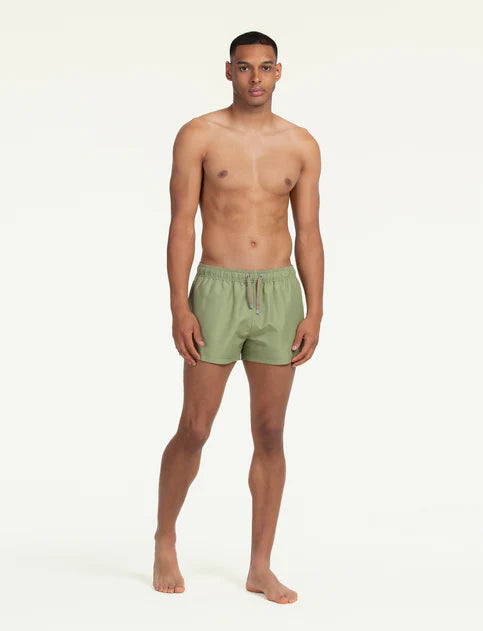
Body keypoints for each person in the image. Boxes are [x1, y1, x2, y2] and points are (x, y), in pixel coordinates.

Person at [153, 30, 324, 605]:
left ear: (279, 72)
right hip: (217, 289)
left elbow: (309, 233)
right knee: (196, 427)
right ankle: (165, 537)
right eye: (245, 67)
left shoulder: (301, 144)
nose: (256, 78)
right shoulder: (199, 135)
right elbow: (182, 224)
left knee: (271, 431)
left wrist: (314, 309)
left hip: (279, 293)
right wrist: (179, 304)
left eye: (266, 67)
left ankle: (260, 566)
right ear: (229, 71)